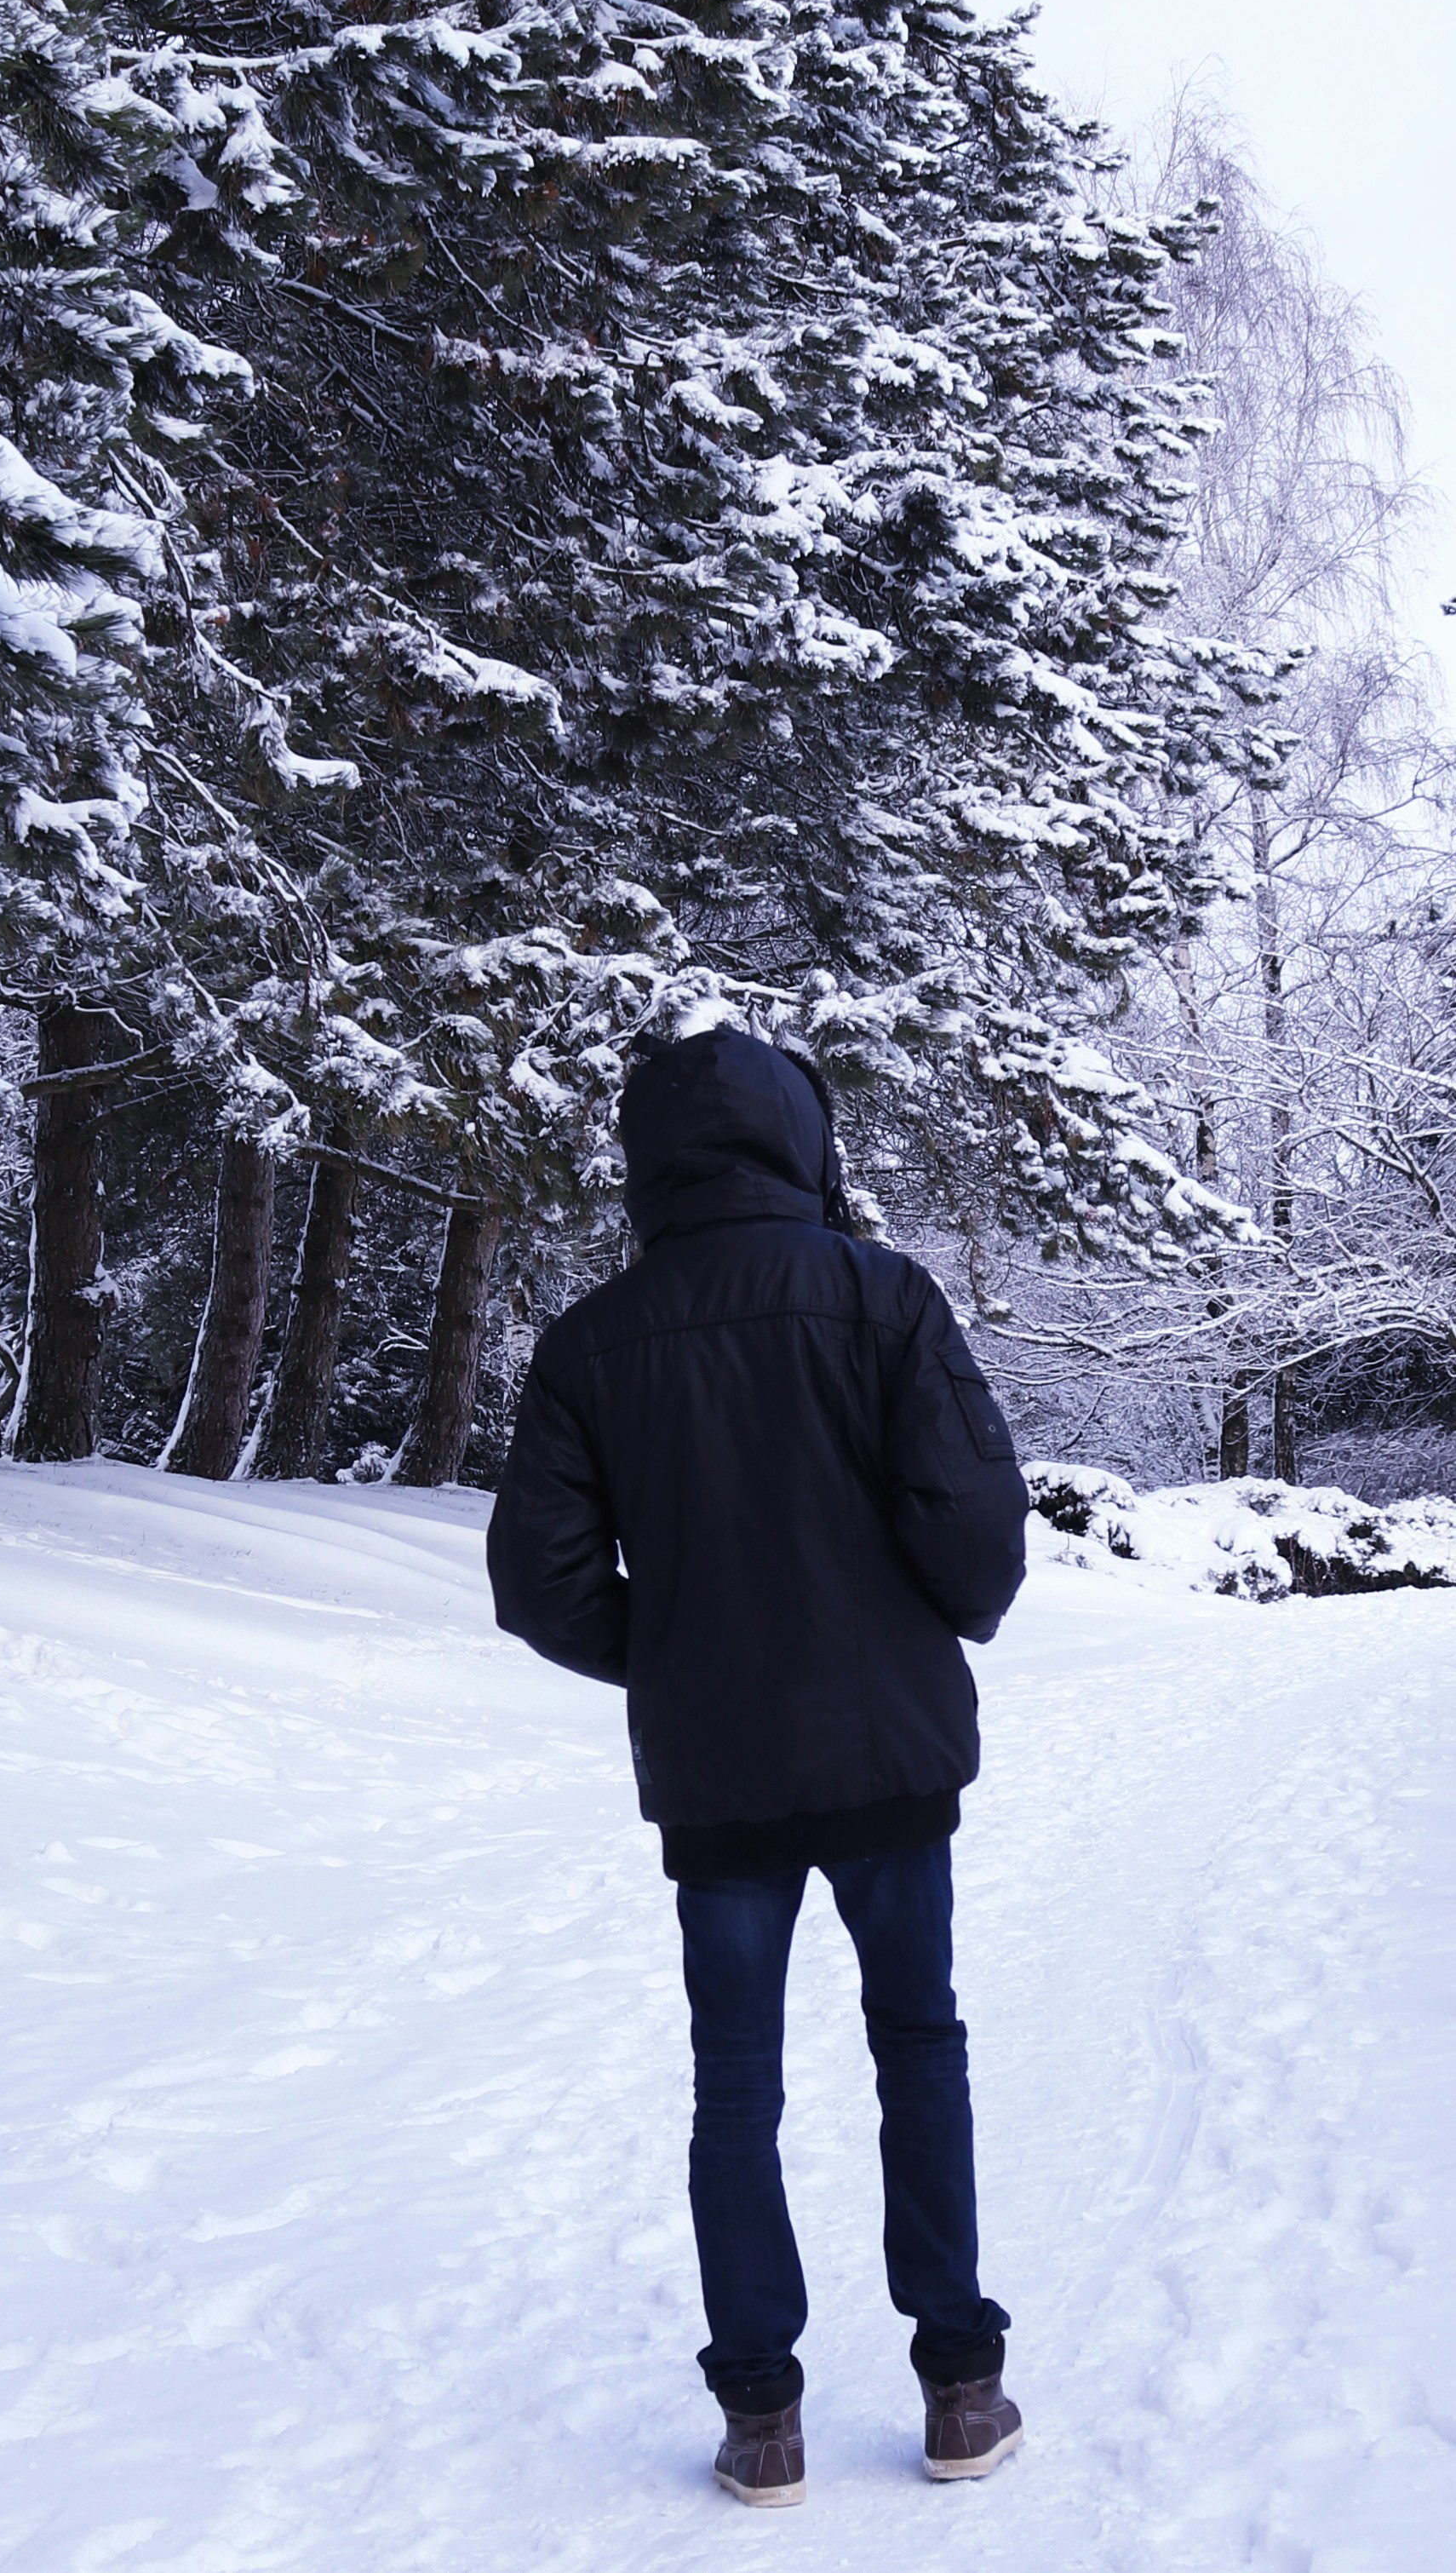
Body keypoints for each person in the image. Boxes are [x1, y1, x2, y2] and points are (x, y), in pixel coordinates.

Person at [485, 1027, 1030, 2508]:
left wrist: (674, 1656)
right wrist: (936, 1624)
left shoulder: (590, 1341)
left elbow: (538, 1582)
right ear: (800, 1137)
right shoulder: (882, 1296)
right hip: (887, 1748)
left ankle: (760, 2419)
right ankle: (960, 2385)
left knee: (734, 2082)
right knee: (917, 2042)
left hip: (717, 1771)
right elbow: (975, 1521)